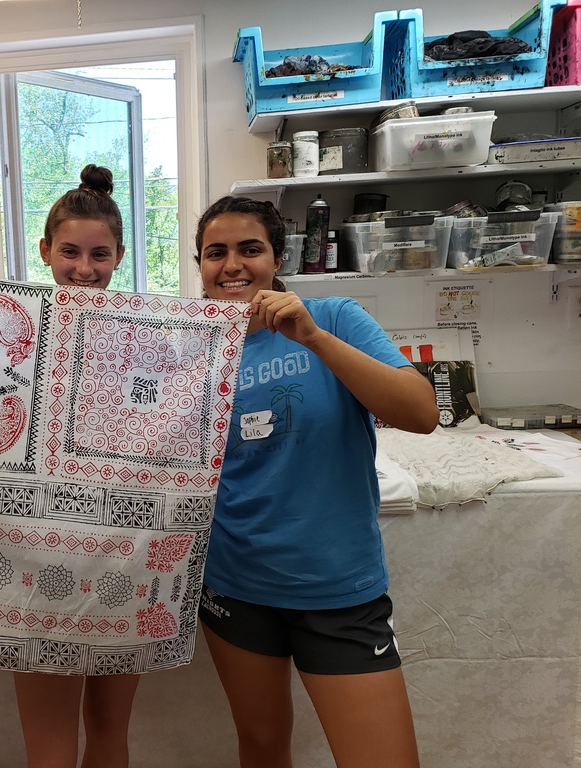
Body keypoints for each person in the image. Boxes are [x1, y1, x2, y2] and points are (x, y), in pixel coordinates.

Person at [193, 196, 438, 768]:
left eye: (250, 249)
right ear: (199, 266)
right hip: (234, 586)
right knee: (260, 746)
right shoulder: (195, 349)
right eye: (215, 252)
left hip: (337, 590)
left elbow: (421, 412)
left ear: (277, 257)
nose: (233, 265)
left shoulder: (334, 318)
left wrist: (312, 338)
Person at [13, 164, 139, 768]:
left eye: (99, 254)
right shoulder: (9, 332)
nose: (84, 269)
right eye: (69, 252)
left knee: (111, 732)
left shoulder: (151, 335)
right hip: (39, 560)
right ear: (44, 250)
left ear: (119, 255)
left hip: (126, 556)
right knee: (51, 746)